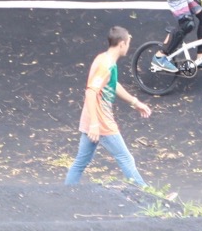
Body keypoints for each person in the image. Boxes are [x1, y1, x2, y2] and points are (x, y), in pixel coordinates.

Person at [66, 26, 153, 187]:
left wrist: (135, 102)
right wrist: (94, 124)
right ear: (121, 44)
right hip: (101, 122)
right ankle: (147, 195)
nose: (128, 47)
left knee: (80, 163)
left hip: (92, 119)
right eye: (128, 43)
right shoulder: (106, 66)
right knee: (125, 158)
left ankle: (66, 195)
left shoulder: (104, 59)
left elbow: (113, 84)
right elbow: (91, 92)